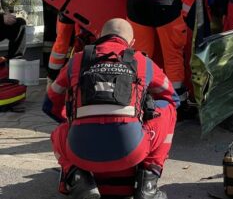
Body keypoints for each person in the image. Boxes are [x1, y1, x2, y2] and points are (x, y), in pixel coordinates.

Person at [43, 18, 179, 199]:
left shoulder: (77, 61)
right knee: (168, 109)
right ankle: (148, 182)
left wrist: (74, 122)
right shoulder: (142, 61)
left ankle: (78, 178)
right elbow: (172, 98)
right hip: (131, 151)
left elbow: (50, 103)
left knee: (59, 133)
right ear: (131, 43)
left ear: (99, 37)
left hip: (80, 153)